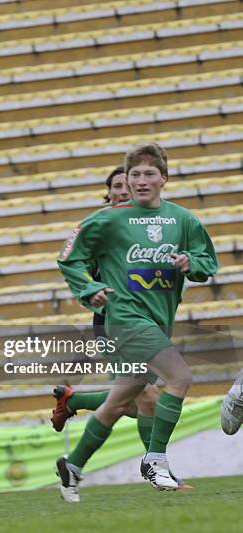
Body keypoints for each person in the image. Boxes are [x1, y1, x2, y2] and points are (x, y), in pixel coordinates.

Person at [55, 143, 218, 502]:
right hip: (124, 319)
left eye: (148, 174)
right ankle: (155, 460)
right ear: (126, 180)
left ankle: (74, 464)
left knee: (121, 401)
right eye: (134, 175)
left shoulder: (183, 219)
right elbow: (68, 257)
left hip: (158, 320)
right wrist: (89, 288)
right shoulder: (109, 219)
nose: (141, 181)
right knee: (180, 378)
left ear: (164, 178)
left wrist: (193, 263)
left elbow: (209, 260)